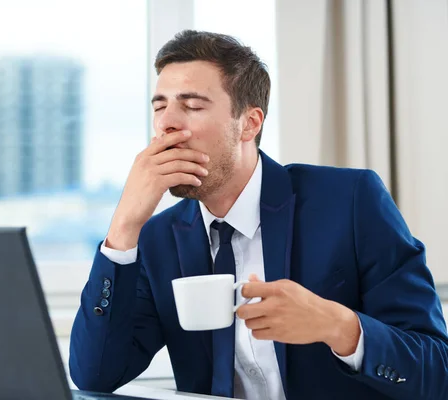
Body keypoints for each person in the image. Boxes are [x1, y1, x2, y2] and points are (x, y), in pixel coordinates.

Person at [69, 30, 448, 400]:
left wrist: (339, 326)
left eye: (193, 105)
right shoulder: (155, 239)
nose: (166, 123)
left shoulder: (348, 201)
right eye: (159, 106)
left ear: (249, 123)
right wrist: (123, 228)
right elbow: (95, 376)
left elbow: (437, 370)